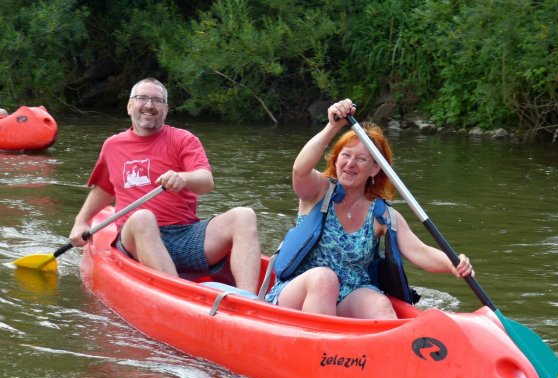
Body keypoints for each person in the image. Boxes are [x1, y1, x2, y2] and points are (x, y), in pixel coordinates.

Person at [265, 99, 474, 318]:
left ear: (375, 169)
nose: (350, 164)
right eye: (346, 155)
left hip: (348, 296)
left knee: (379, 304)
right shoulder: (317, 190)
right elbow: (299, 170)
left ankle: (385, 339)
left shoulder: (382, 215)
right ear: (336, 160)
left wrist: (453, 263)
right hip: (299, 293)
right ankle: (320, 337)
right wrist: (332, 127)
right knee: (324, 279)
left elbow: (419, 251)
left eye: (361, 159)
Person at [69, 78, 261, 293]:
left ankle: (249, 301)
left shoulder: (184, 139)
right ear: (129, 106)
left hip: (185, 234)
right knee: (143, 217)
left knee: (244, 215)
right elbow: (105, 189)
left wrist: (184, 178)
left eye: (157, 100)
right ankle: (178, 294)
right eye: (142, 98)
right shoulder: (112, 146)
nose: (149, 105)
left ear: (166, 110)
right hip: (137, 237)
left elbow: (206, 182)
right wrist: (81, 221)